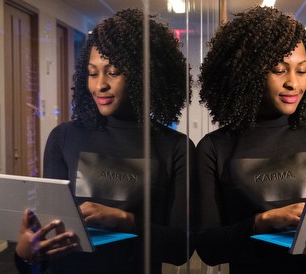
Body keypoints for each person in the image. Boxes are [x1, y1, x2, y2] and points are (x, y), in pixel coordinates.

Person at [195, 6, 306, 273]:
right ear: (248, 75)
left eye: (301, 70)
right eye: (279, 70)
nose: (293, 83)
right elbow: (209, 248)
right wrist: (263, 221)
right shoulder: (214, 147)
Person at [13, 8, 193, 274]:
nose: (100, 85)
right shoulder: (63, 138)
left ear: (146, 76)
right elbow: (48, 241)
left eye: (114, 72)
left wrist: (125, 221)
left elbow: (180, 249)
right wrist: (25, 253)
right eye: (93, 73)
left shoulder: (174, 147)